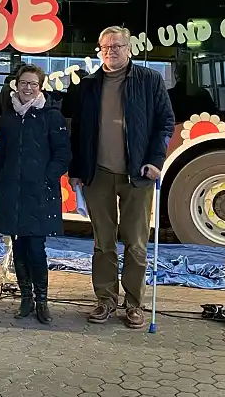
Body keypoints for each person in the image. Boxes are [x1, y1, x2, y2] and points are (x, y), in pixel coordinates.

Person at [68, 26, 175, 329]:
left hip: (136, 175)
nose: (112, 51)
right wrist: (76, 170)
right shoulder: (88, 85)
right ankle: (105, 300)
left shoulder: (149, 81)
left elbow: (165, 122)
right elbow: (78, 130)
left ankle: (134, 304)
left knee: (136, 243)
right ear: (99, 51)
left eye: (118, 46)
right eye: (106, 47)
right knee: (103, 243)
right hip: (97, 174)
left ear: (129, 48)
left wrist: (155, 161)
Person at [0, 64, 71, 324]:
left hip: (39, 193)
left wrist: (46, 178)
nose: (27, 88)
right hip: (12, 192)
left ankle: (42, 301)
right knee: (20, 247)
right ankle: (26, 299)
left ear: (40, 87)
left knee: (36, 248)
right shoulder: (9, 116)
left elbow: (63, 154)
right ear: (16, 84)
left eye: (33, 84)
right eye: (23, 83)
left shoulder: (51, 116)